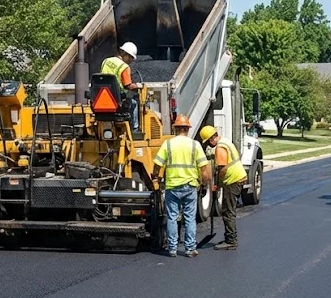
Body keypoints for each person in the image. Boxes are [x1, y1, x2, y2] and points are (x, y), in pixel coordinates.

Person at [152, 114, 210, 258]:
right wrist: (204, 183)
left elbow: (157, 164)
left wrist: (156, 178)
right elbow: (204, 168)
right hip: (190, 186)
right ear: (188, 129)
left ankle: (172, 249)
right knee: (190, 218)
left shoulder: (168, 144)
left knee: (172, 217)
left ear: (175, 129)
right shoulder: (195, 145)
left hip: (172, 186)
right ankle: (190, 248)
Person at [199, 125, 247, 250]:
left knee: (228, 211)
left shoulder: (220, 148)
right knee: (228, 210)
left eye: (208, 142)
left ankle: (231, 240)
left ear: (210, 139)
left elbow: (222, 169)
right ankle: (229, 237)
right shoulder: (225, 141)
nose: (209, 145)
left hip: (233, 180)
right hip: (238, 177)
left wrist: (217, 185)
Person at [100, 42, 140, 131]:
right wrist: (138, 86)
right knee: (134, 103)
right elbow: (128, 86)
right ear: (123, 53)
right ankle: (135, 129)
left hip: (102, 97)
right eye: (130, 57)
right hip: (116, 99)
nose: (131, 60)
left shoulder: (106, 61)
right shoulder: (124, 67)